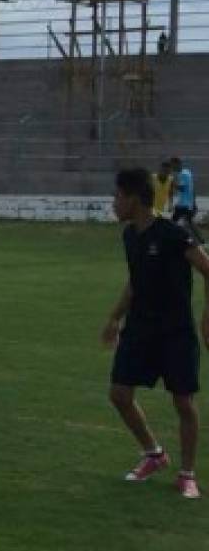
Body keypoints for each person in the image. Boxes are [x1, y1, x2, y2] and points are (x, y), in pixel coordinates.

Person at [103, 168, 209, 500]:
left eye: (117, 196)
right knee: (119, 394)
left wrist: (207, 317)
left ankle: (187, 474)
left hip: (175, 332)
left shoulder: (173, 234)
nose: (113, 203)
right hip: (140, 329)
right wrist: (114, 318)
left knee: (183, 402)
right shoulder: (130, 236)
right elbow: (136, 280)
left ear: (134, 198)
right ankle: (154, 454)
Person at [170, 156, 202, 242]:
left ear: (177, 164)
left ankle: (172, 239)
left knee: (174, 223)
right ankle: (200, 239)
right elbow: (191, 189)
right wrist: (193, 202)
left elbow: (182, 188)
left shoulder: (183, 174)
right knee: (188, 222)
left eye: (173, 165)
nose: (172, 168)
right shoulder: (188, 172)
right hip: (186, 203)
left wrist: (172, 184)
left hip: (184, 204)